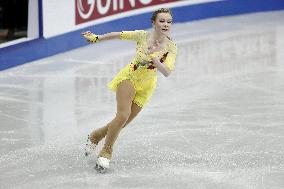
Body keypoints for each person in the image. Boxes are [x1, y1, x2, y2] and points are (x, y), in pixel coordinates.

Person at [82, 8, 177, 172]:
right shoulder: (142, 35)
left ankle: (96, 135)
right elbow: (118, 35)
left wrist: (153, 56)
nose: (166, 24)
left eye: (169, 21)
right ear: (154, 23)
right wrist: (97, 38)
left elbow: (167, 72)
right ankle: (106, 152)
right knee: (122, 115)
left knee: (123, 122)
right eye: (162, 21)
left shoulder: (171, 47)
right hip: (130, 77)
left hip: (147, 86)